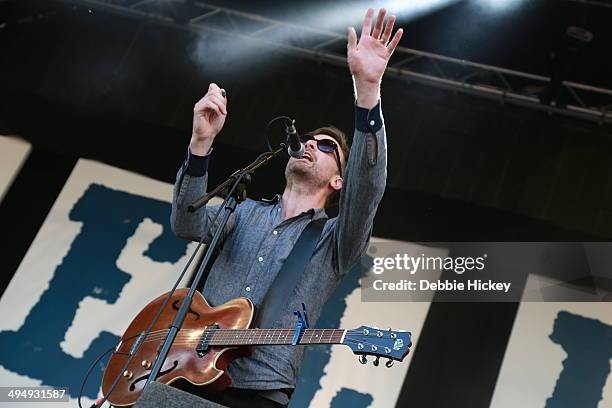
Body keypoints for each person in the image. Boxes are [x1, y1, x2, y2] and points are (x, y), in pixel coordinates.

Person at [171, 8, 403, 408]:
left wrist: (368, 91)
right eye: (309, 139)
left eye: (326, 146)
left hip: (258, 391)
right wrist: (199, 145)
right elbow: (186, 222)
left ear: (338, 181)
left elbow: (368, 189)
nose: (310, 143)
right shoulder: (240, 213)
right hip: (182, 372)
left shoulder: (333, 241)